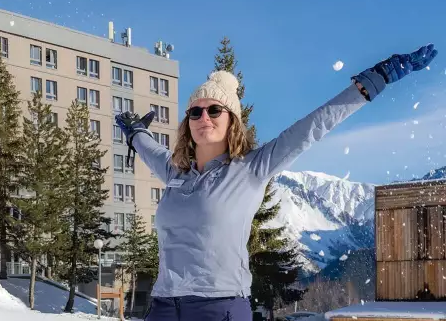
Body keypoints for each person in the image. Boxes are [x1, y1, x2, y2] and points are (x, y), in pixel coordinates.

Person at [116, 44, 437, 321]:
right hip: (163, 307)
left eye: (215, 109)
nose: (204, 118)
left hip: (219, 307)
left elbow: (313, 126)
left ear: (232, 121)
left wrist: (373, 80)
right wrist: (134, 131)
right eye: (195, 113)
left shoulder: (250, 168)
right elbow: (147, 147)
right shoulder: (176, 173)